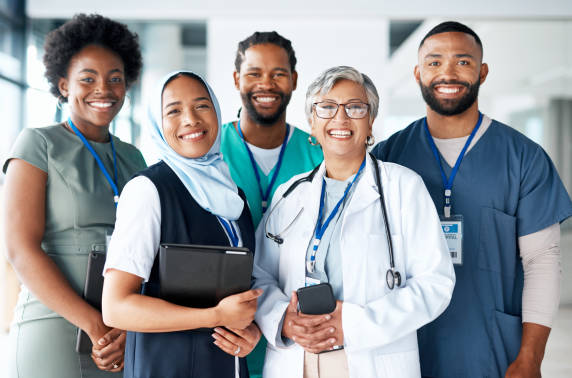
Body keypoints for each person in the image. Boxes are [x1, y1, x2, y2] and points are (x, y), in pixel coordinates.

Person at [371, 21, 572, 378]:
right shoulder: (388, 157)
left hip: (493, 351)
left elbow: (542, 263)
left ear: (482, 72)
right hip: (403, 351)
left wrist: (531, 358)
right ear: (417, 73)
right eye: (434, 62)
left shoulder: (523, 157)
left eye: (462, 62)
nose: (447, 72)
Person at [253, 66, 456, 378]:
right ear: (312, 122)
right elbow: (258, 275)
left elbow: (435, 282)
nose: (341, 118)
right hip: (297, 359)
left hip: (371, 357)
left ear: (370, 120)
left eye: (355, 107)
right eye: (327, 107)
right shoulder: (289, 194)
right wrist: (283, 319)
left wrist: (352, 325)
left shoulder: (403, 187)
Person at [3, 14, 146, 378]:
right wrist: (96, 326)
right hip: (54, 326)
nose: (104, 89)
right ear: (64, 85)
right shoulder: (38, 144)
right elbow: (20, 250)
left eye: (116, 78)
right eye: (88, 79)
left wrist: (125, 326)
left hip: (120, 332)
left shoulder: (133, 157)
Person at [100, 71, 263, 378]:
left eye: (202, 106)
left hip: (225, 367)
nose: (190, 119)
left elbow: (239, 292)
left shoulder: (232, 195)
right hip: (166, 367)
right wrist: (214, 315)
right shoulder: (148, 191)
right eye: (173, 111)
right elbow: (116, 306)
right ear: (157, 124)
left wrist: (250, 332)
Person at [221, 31, 323, 228]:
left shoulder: (319, 154)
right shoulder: (212, 150)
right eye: (254, 74)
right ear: (236, 79)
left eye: (278, 74)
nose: (266, 84)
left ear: (294, 79)